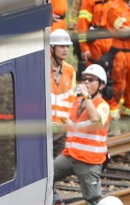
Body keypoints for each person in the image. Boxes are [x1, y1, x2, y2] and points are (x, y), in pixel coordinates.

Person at [54, 63, 110, 205]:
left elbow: (95, 119)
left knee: (93, 201)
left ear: (101, 85)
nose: (86, 82)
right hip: (69, 156)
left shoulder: (103, 106)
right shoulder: (77, 102)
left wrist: (86, 97)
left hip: (89, 161)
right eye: (84, 79)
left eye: (91, 80)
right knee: (45, 180)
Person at [50, 29, 79, 158]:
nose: (65, 50)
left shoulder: (70, 70)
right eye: (61, 46)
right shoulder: (41, 68)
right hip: (44, 130)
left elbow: (72, 100)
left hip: (62, 130)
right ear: (52, 48)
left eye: (67, 46)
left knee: (58, 169)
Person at [77, 0, 114, 67]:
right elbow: (82, 25)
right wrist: (84, 48)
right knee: (93, 71)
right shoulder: (88, 1)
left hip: (113, 43)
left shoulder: (118, 2)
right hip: (95, 43)